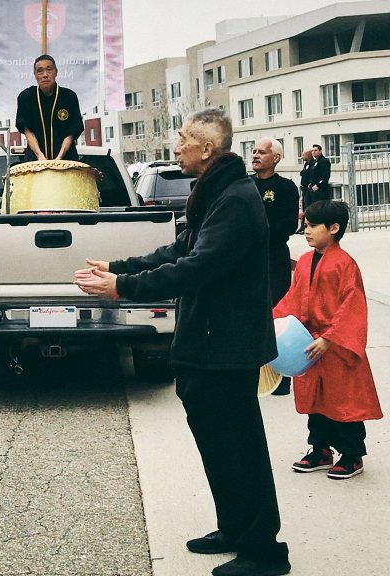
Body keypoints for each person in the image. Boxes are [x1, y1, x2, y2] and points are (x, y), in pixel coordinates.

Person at [75, 109, 289, 576]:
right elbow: (180, 249)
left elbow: (199, 266)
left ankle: (264, 550)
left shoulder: (236, 199)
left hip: (226, 346)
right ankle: (235, 528)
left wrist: (122, 288)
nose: (176, 146)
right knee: (217, 444)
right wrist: (120, 267)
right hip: (207, 343)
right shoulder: (216, 192)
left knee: (239, 447)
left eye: (183, 139)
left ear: (207, 148)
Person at [274, 200, 382, 480]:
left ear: (333, 228)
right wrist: (274, 322)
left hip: (335, 346)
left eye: (312, 226)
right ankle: (320, 449)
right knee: (315, 401)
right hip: (308, 343)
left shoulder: (345, 264)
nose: (306, 231)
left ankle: (352, 455)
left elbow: (352, 306)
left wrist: (330, 338)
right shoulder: (305, 261)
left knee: (343, 402)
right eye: (305, 225)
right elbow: (293, 299)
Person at [251, 137, 299, 396]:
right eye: (254, 151)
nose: (255, 155)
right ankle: (253, 376)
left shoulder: (286, 188)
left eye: (261, 152)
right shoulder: (244, 186)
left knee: (277, 313)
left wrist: (256, 232)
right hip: (247, 260)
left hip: (274, 258)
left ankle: (280, 378)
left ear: (276, 158)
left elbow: (288, 225)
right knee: (250, 316)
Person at [15, 54, 84, 162]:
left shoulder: (69, 97)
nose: (45, 75)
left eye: (49, 70)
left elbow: (71, 132)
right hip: (35, 161)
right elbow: (28, 131)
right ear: (35, 75)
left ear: (56, 72)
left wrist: (59, 158)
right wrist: (40, 156)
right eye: (40, 71)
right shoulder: (26, 97)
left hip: (66, 160)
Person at [296, 150, 313, 234]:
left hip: (308, 190)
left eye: (303, 155)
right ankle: (302, 225)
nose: (302, 157)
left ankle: (306, 225)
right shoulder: (306, 164)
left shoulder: (312, 164)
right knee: (304, 207)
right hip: (304, 189)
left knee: (308, 207)